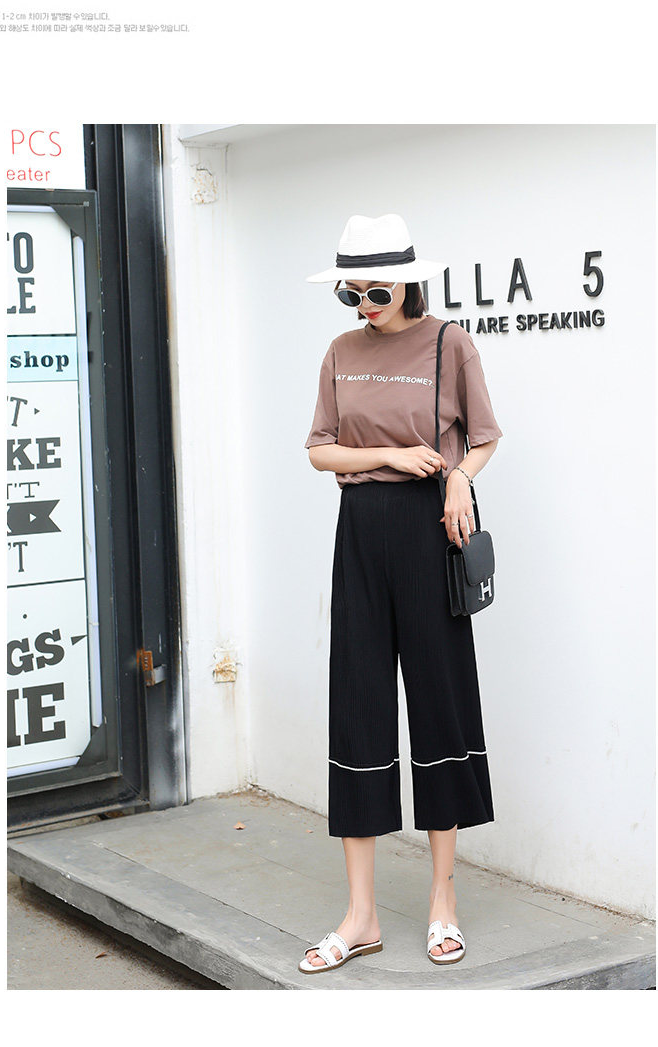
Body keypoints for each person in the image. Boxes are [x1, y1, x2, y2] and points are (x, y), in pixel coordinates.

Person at [299, 214, 503, 973]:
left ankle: (443, 902)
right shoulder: (341, 351)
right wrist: (388, 453)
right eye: (350, 292)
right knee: (357, 705)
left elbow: (485, 436)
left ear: (409, 284)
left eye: (376, 292)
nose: (363, 305)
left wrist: (457, 479)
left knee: (438, 702)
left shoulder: (450, 344)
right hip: (360, 530)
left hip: (430, 529)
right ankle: (361, 916)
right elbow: (320, 450)